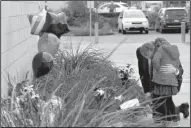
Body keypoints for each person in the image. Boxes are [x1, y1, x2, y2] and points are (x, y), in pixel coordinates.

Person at [136, 38, 189, 124]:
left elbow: (180, 70)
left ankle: (170, 119)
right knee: (161, 110)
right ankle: (182, 108)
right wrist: (147, 91)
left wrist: (175, 70)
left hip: (170, 81)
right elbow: (143, 72)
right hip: (154, 82)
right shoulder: (140, 51)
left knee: (162, 110)